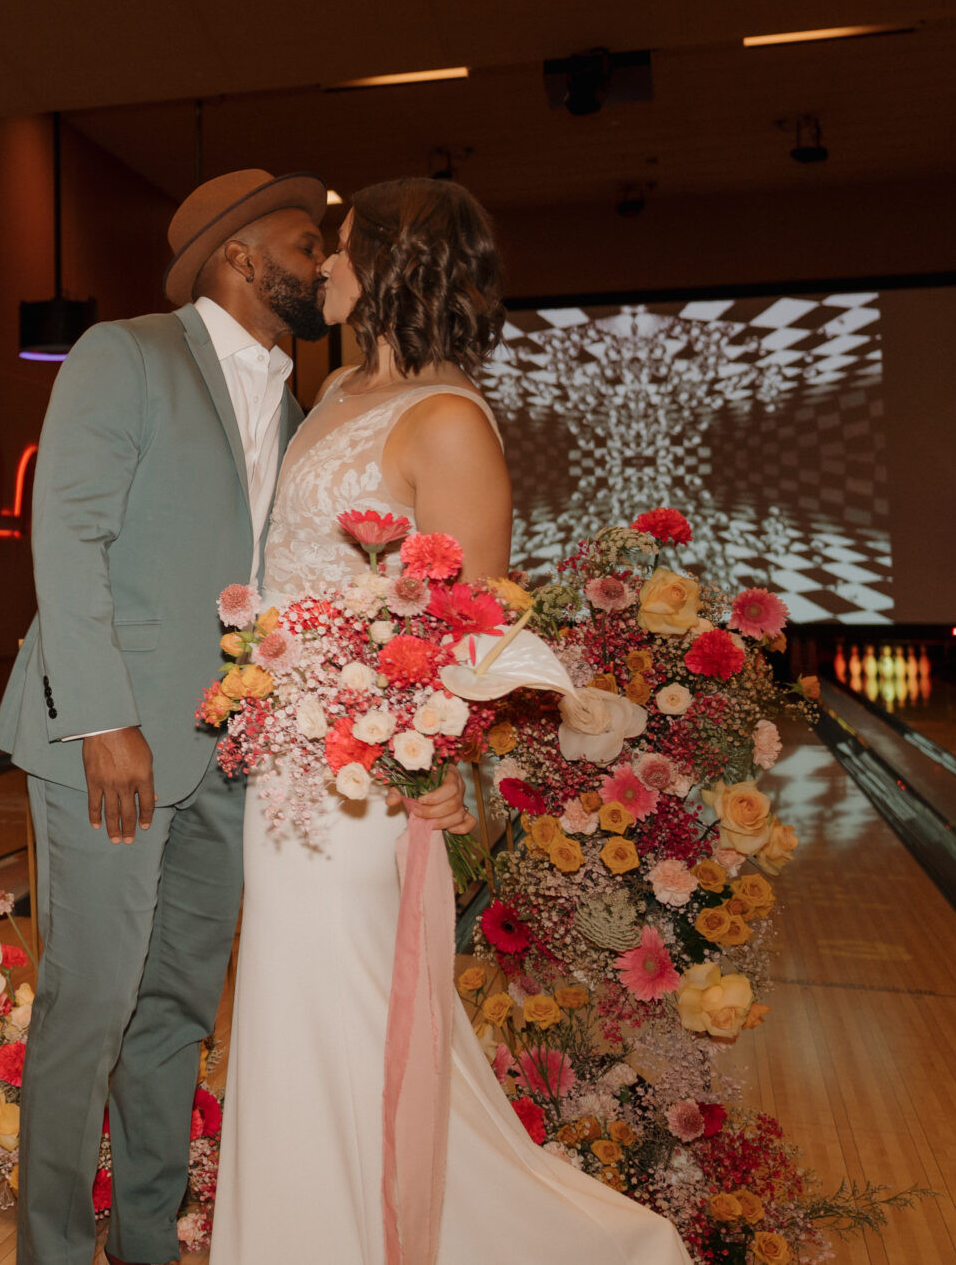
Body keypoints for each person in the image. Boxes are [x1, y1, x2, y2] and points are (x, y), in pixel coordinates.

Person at [0, 171, 468, 1265]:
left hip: (234, 754)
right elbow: (67, 539)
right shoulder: (128, 355)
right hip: (108, 744)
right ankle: (52, 1253)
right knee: (91, 1004)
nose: (323, 265)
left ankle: (147, 1241)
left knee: (173, 1014)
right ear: (239, 257)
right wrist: (101, 720)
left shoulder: (307, 406)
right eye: (308, 244)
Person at [209, 179, 689, 1264]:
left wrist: (434, 761)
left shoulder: (448, 420)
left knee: (339, 1018)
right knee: (292, 1020)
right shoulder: (329, 395)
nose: (318, 267)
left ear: (383, 264)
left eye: (334, 250)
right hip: (285, 764)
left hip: (365, 781)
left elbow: (469, 627)